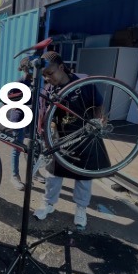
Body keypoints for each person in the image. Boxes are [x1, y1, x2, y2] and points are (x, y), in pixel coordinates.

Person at [34, 52, 104, 229]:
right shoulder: (50, 90)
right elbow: (46, 114)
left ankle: (81, 208)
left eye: (50, 73)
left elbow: (99, 105)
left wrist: (97, 121)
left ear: (61, 68)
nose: (48, 78)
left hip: (85, 138)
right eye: (44, 75)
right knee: (53, 175)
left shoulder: (84, 84)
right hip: (61, 138)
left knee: (83, 178)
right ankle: (48, 204)